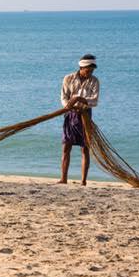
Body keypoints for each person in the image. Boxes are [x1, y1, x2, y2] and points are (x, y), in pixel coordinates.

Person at [58, 54, 99, 186]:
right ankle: (63, 178)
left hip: (85, 115)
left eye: (92, 71)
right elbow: (64, 97)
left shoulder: (94, 81)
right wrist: (69, 106)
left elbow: (94, 100)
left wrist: (81, 100)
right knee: (66, 147)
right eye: (88, 70)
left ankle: (83, 181)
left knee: (84, 149)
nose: (90, 73)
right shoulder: (68, 78)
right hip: (70, 114)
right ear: (81, 67)